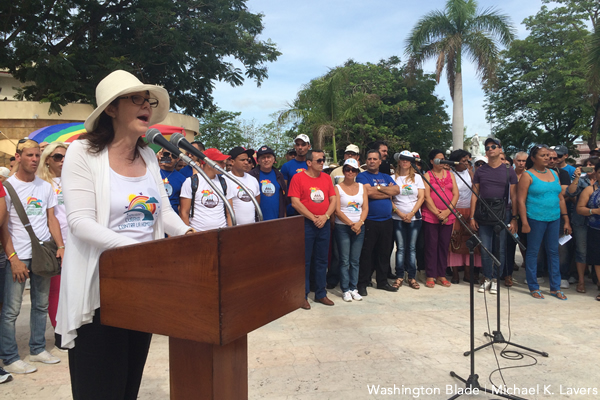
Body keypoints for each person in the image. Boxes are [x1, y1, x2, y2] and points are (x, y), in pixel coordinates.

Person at [55, 70, 193, 399]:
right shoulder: (82, 153)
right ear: (111, 109)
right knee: (99, 389)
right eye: (136, 98)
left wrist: (189, 233)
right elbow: (80, 222)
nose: (146, 104)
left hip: (142, 287)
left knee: (128, 385)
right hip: (100, 288)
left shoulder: (147, 155)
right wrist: (138, 252)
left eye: (148, 99)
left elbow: (164, 211)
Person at [0, 139, 65, 374]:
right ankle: (9, 356)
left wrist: (60, 246)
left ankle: (37, 349)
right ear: (18, 157)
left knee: (41, 304)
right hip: (18, 254)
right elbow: (3, 227)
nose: (34, 160)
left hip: (43, 253)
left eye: (37, 155)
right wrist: (13, 258)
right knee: (11, 309)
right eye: (29, 155)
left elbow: (52, 219)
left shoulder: (44, 187)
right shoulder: (7, 187)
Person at [518, 144, 571, 300]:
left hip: (554, 218)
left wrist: (566, 219)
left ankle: (555, 287)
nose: (547, 158)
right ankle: (533, 286)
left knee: (554, 251)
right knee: (533, 252)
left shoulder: (555, 173)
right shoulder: (527, 175)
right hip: (535, 218)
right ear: (533, 158)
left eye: (548, 155)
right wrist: (524, 222)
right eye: (543, 155)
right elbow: (521, 201)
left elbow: (560, 197)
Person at [288, 149, 337, 309]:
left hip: (323, 224)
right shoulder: (298, 178)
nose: (322, 162)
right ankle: (302, 295)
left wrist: (326, 217)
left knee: (322, 260)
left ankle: (320, 293)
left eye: (323, 160)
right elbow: (295, 202)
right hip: (306, 224)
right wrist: (313, 217)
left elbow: (333, 199)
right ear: (309, 163)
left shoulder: (326, 178)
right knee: (305, 261)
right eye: (319, 160)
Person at [470, 138, 518, 294]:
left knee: (500, 248)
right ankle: (487, 278)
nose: (490, 149)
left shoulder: (508, 170)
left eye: (493, 146)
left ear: (500, 149)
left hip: (502, 212)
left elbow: (514, 196)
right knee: (485, 247)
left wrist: (514, 218)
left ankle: (497, 279)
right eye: (488, 147)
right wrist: (472, 217)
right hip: (484, 212)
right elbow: (474, 194)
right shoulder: (481, 171)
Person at [36, 142, 70, 350]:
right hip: (56, 243)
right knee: (56, 290)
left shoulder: (75, 179)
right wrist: (59, 244)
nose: (62, 161)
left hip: (78, 241)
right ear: (47, 159)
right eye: (57, 157)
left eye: (65, 156)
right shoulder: (41, 184)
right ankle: (59, 332)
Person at [356, 150, 400, 295]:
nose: (372, 161)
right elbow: (368, 193)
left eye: (375, 159)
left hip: (387, 221)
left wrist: (379, 188)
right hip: (370, 220)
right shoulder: (362, 176)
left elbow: (396, 190)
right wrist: (386, 191)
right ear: (366, 161)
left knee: (384, 252)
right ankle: (362, 282)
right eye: (369, 159)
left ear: (380, 161)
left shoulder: (385, 176)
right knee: (367, 253)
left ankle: (382, 281)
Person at [422, 149, 458, 288]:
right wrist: (438, 213)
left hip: (448, 216)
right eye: (438, 159)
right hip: (431, 215)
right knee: (431, 245)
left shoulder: (451, 175)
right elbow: (427, 196)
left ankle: (441, 274)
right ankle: (430, 275)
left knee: (444, 245)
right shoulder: (428, 175)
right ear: (431, 161)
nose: (442, 162)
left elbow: (455, 194)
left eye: (443, 159)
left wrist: (447, 212)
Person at [334, 159, 368, 301]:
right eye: (347, 169)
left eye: (353, 170)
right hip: (343, 226)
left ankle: (354, 287)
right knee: (344, 260)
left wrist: (359, 223)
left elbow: (365, 208)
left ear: (357, 172)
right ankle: (345, 289)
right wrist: (350, 223)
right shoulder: (337, 188)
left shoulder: (362, 187)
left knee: (355, 260)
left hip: (359, 226)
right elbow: (336, 209)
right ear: (343, 171)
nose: (350, 172)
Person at [447, 149, 482, 283]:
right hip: (454, 210)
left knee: (469, 242)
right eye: (463, 161)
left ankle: (468, 273)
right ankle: (455, 273)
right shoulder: (450, 174)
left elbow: (475, 189)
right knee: (455, 241)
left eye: (468, 160)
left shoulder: (469, 172)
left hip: (469, 209)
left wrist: (471, 171)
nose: (466, 163)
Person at [391, 151, 424, 289]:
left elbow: (421, 197)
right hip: (397, 217)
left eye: (408, 160)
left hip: (414, 218)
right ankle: (399, 276)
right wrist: (399, 212)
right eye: (402, 159)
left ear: (411, 162)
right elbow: (389, 199)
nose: (405, 162)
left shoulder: (417, 178)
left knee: (411, 248)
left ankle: (411, 276)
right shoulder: (392, 178)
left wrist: (411, 214)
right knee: (401, 248)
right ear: (399, 161)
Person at [567, 157, 599, 293]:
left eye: (592, 165)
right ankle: (581, 281)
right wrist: (576, 177)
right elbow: (570, 192)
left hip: (596, 226)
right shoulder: (582, 181)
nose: (589, 167)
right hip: (581, 222)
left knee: (596, 253)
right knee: (582, 251)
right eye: (587, 165)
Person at [180, 148, 232, 231]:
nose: (224, 165)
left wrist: (231, 233)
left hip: (221, 234)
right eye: (220, 162)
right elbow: (184, 213)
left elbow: (229, 212)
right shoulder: (191, 182)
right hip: (198, 234)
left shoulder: (224, 182)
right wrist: (189, 236)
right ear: (209, 163)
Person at [575, 162, 600, 301]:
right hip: (595, 229)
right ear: (596, 173)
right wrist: (594, 211)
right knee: (597, 260)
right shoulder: (590, 189)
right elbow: (580, 209)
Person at [248, 146, 287, 220]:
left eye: (268, 157)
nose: (266, 160)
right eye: (263, 157)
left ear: (273, 159)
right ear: (258, 161)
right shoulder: (251, 175)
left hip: (277, 219)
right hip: (257, 220)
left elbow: (284, 199)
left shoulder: (279, 175)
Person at [225, 147, 260, 225]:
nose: (246, 162)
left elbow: (256, 203)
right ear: (232, 162)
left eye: (247, 160)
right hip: (233, 229)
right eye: (242, 160)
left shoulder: (253, 180)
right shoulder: (224, 180)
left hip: (251, 228)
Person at [281, 134, 311, 216]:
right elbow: (284, 190)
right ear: (295, 146)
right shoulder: (287, 166)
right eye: (298, 145)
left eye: (303, 145)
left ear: (309, 146)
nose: (300, 147)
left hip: (311, 207)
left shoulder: (313, 164)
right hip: (293, 209)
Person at [157, 148, 186, 214]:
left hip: (172, 217)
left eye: (174, 155)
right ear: (161, 155)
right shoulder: (151, 173)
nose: (170, 157)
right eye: (166, 154)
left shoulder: (182, 179)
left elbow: (182, 205)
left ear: (178, 158)